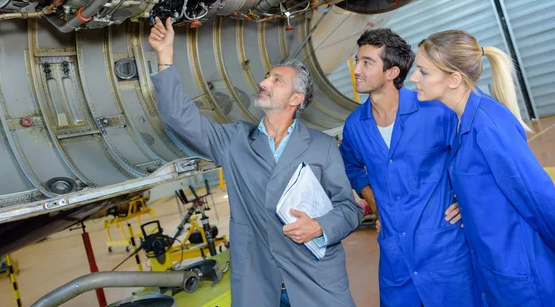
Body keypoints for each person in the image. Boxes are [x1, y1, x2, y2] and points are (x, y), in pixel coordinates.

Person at [148, 17, 363, 307]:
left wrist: (319, 227)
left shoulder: (322, 147)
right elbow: (178, 117)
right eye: (267, 76)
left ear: (295, 99)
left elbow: (349, 208)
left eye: (276, 80)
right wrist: (165, 56)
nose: (263, 82)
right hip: (259, 281)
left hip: (315, 280)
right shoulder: (234, 141)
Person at [410, 29, 555, 306]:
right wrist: (468, 202)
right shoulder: (463, 121)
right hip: (495, 269)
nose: (414, 79)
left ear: (453, 79)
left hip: (521, 275)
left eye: (423, 72)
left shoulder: (489, 126)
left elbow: (539, 199)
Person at [339, 28, 479, 307]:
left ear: (391, 73)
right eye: (357, 61)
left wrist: (467, 201)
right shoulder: (355, 125)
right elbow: (353, 167)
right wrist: (375, 203)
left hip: (445, 252)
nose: (356, 70)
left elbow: (472, 156)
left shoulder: (436, 111)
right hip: (395, 259)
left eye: (367, 62)